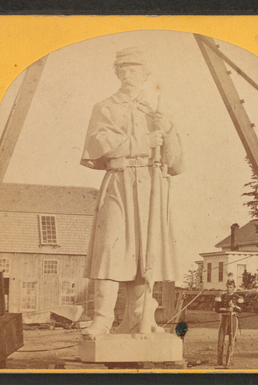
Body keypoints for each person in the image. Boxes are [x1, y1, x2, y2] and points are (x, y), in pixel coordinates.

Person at [80, 47, 180, 337]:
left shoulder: (156, 110)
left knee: (143, 255)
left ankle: (138, 318)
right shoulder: (105, 107)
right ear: (116, 72)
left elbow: (175, 162)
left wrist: (169, 130)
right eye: (122, 69)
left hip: (150, 184)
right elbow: (100, 144)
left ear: (145, 74)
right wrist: (144, 140)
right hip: (119, 180)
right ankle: (102, 319)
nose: (128, 74)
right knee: (110, 248)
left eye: (134, 69)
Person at [215, 276, 243, 367]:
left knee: (231, 341)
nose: (229, 289)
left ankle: (228, 361)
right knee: (220, 340)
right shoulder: (222, 297)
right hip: (224, 319)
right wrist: (227, 308)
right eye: (228, 287)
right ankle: (219, 361)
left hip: (233, 320)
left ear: (234, 288)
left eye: (231, 287)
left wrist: (234, 306)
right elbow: (217, 309)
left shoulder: (238, 297)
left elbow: (241, 310)